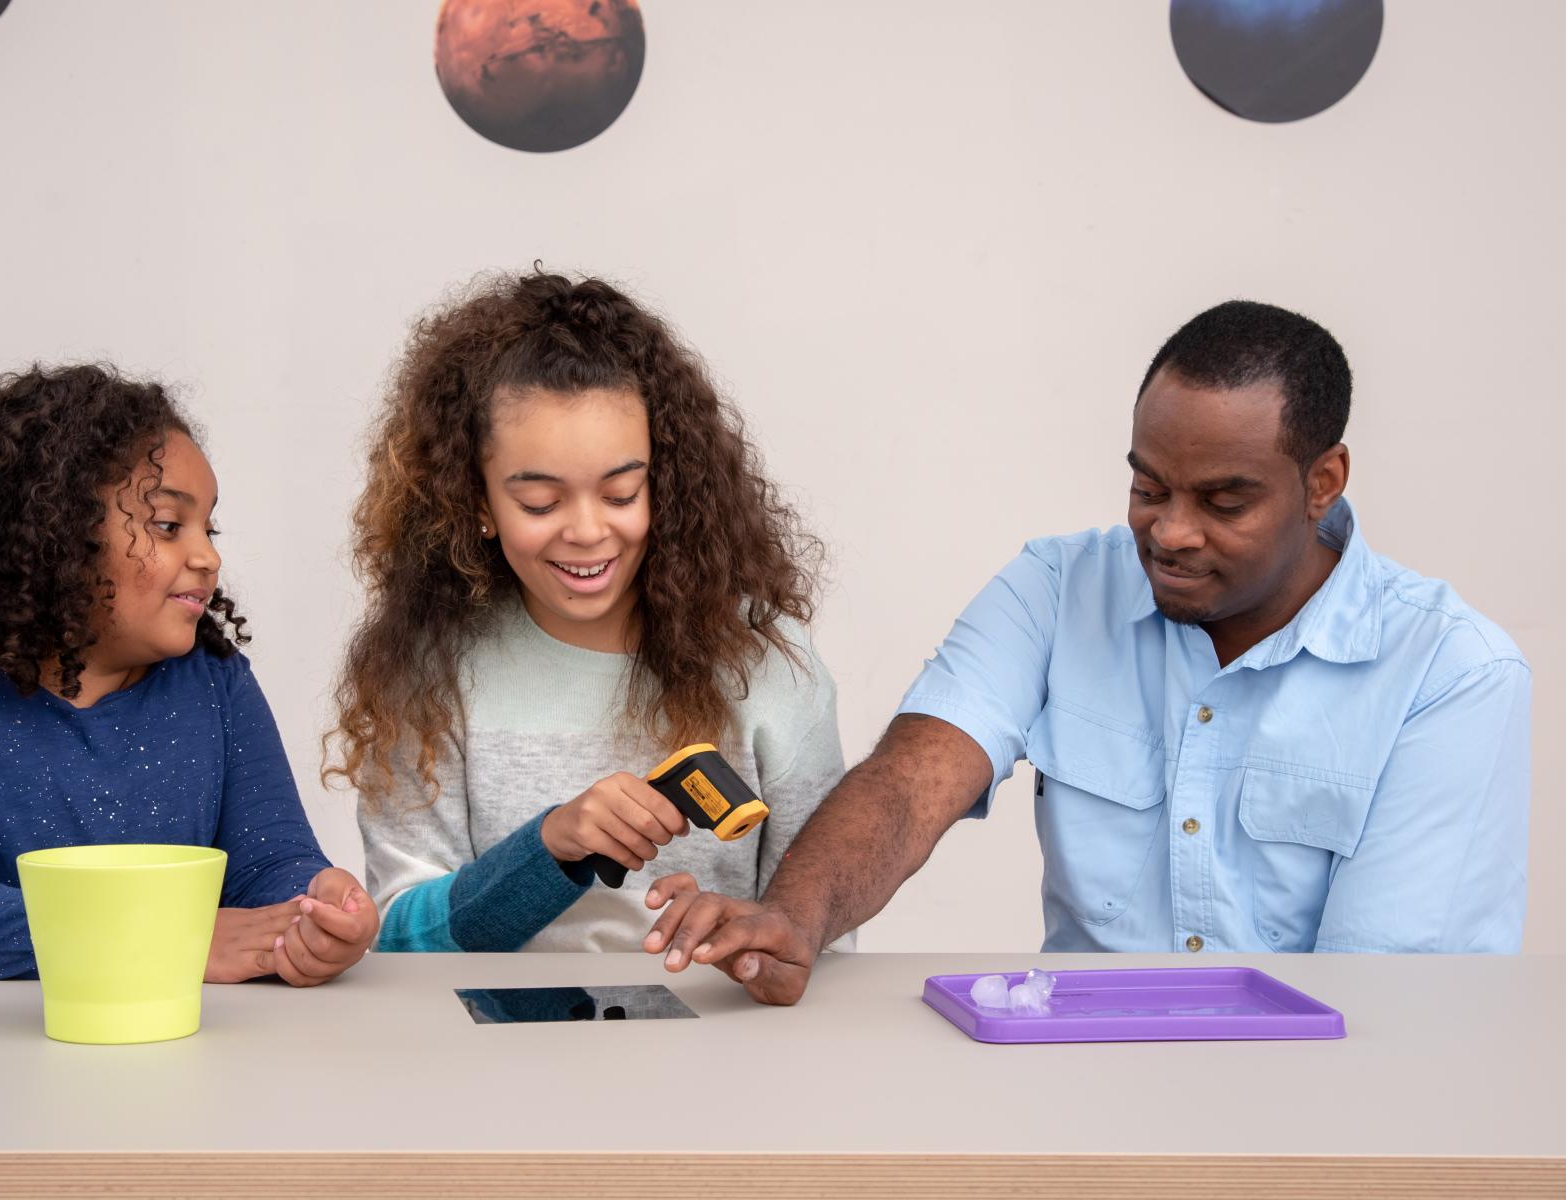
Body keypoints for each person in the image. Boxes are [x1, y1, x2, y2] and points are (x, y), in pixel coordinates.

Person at [645, 300, 1531, 1003]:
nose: (1171, 531)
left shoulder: (1450, 675)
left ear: (1322, 483)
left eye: (1225, 502)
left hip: (1318, 1131)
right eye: (1149, 487)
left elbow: (1386, 1004)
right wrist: (795, 919)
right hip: (1079, 1106)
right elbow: (914, 779)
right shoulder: (1058, 588)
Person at [328, 269, 846, 952]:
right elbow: (395, 939)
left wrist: (748, 939)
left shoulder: (769, 664)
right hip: (493, 1057)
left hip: (718, 1056)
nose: (586, 531)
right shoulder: (429, 673)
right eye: (540, 504)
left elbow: (819, 938)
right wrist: (544, 852)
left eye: (622, 494)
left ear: (664, 483)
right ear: (477, 503)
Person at [0, 364, 376, 984]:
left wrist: (314, 908)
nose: (208, 556)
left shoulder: (216, 681)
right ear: (54, 532)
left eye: (207, 527)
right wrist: (155, 938)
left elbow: (267, 866)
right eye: (168, 525)